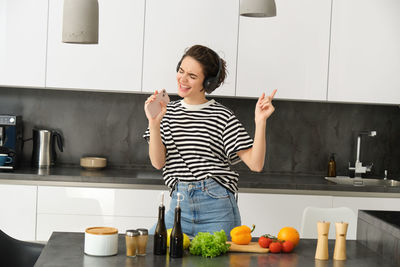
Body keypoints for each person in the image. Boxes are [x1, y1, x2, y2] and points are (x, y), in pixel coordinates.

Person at [143, 44, 276, 237]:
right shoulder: (166, 112)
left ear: (208, 83)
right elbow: (158, 163)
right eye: (181, 71)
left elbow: (256, 164)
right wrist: (154, 124)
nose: (183, 79)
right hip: (179, 209)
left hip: (217, 210)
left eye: (192, 76)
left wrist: (260, 121)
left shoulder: (222, 116)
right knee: (152, 247)